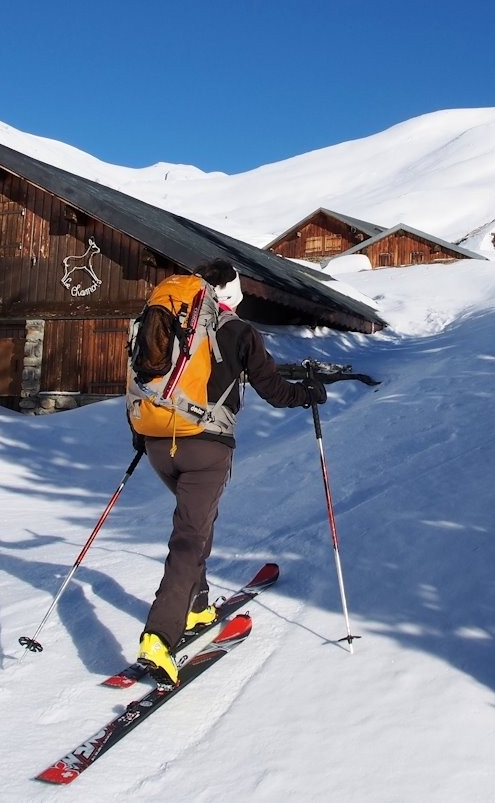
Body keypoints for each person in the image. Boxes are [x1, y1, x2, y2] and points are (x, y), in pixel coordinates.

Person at [135, 258, 324, 685]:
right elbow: (274, 391)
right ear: (232, 292)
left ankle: (198, 604)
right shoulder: (239, 331)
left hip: (156, 443)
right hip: (206, 447)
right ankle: (159, 637)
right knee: (189, 536)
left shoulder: (171, 324)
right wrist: (310, 393)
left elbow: (146, 381)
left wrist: (142, 434)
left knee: (196, 523)